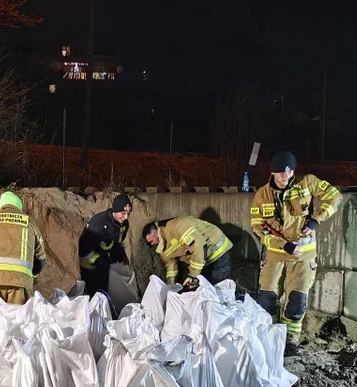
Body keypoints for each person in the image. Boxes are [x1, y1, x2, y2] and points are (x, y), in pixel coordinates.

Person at [250, 151, 342, 356]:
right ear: (272, 173)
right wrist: (282, 244)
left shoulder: (307, 184)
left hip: (303, 255)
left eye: (289, 171)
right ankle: (268, 338)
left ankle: (290, 343)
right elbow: (257, 227)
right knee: (266, 299)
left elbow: (335, 197)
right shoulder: (262, 195)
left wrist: (317, 219)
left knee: (297, 300)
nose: (286, 176)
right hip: (275, 253)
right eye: (281, 173)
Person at [0, 191, 47, 342]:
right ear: (19, 206)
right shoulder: (28, 222)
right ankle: (14, 363)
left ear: (1, 205)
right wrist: (31, 276)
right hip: (19, 283)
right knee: (16, 328)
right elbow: (41, 259)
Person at [142, 217, 233, 289]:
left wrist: (193, 276)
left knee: (219, 289)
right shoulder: (162, 246)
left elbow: (198, 247)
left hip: (217, 250)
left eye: (151, 241)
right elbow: (170, 266)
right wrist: (171, 286)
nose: (152, 244)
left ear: (155, 232)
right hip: (203, 260)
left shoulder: (176, 227)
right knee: (204, 290)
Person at [78, 193, 132, 298]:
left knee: (105, 293)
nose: (126, 217)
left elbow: (118, 243)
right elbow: (85, 248)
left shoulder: (123, 224)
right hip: (89, 265)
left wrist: (121, 256)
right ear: (115, 211)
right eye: (123, 213)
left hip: (105, 264)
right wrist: (98, 260)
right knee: (94, 294)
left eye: (128, 214)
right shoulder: (97, 223)